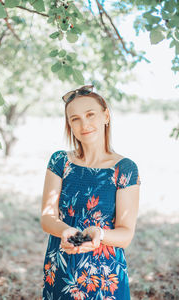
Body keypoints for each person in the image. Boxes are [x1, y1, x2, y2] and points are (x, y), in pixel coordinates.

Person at [41, 85, 141, 300]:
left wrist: (100, 234)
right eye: (75, 119)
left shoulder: (125, 169)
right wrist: (67, 231)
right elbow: (47, 218)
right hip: (61, 268)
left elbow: (125, 235)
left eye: (90, 115)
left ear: (106, 115)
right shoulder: (60, 161)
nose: (84, 124)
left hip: (106, 277)